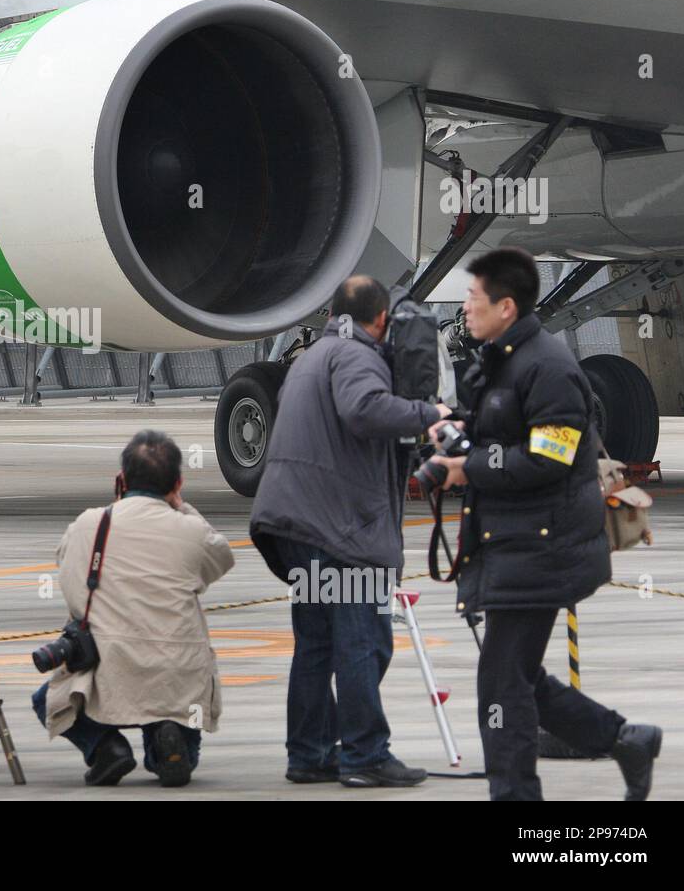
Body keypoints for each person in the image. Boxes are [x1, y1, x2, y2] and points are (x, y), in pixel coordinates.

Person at [431, 246, 661, 801]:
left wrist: (471, 467)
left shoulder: (549, 368)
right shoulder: (502, 360)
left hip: (542, 549)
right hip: (512, 543)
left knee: (502, 686)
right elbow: (502, 436)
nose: (464, 308)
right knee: (520, 678)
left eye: (473, 298)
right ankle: (624, 738)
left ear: (505, 307)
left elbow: (549, 458)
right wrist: (453, 440)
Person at [250, 275, 448, 788]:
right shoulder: (357, 357)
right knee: (364, 641)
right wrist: (430, 414)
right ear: (380, 319)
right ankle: (364, 755)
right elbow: (364, 409)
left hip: (299, 528)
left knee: (316, 642)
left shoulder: (315, 355)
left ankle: (310, 753)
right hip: (337, 531)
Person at [34, 430, 234, 788]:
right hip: (175, 676)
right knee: (172, 706)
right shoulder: (189, 530)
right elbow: (221, 558)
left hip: (110, 671)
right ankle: (168, 745)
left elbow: (67, 575)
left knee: (45, 699)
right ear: (177, 483)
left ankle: (106, 748)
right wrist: (181, 505)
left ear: (121, 480)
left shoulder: (88, 525)